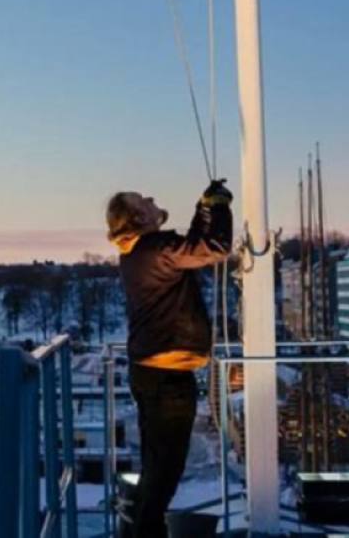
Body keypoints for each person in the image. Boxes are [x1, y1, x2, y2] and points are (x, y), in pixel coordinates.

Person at [106, 181, 234, 538]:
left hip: (151, 371)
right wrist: (220, 206)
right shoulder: (154, 248)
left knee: (156, 466)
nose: (151, 198)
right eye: (143, 199)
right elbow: (215, 247)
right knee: (165, 472)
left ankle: (144, 531)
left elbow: (190, 247)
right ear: (138, 216)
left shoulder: (138, 252)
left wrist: (203, 208)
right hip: (166, 375)